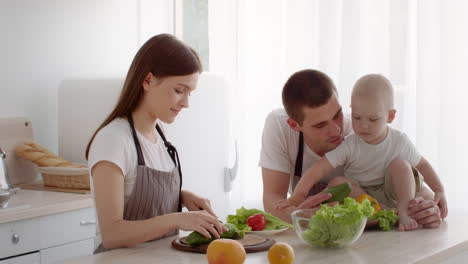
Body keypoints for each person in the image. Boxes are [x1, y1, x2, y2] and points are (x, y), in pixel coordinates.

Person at [85, 34, 226, 252]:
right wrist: (177, 220)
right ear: (148, 80)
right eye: (179, 90)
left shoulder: (160, 138)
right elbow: (112, 234)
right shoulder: (113, 140)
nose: (186, 103)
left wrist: (180, 196)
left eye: (190, 93)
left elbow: (135, 193)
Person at [260, 69, 443, 228]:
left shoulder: (361, 131)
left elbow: (409, 179)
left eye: (338, 114)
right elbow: (273, 198)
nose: (336, 130)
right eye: (320, 125)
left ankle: (390, 215)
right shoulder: (279, 126)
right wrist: (300, 216)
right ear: (294, 125)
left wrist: (428, 206)